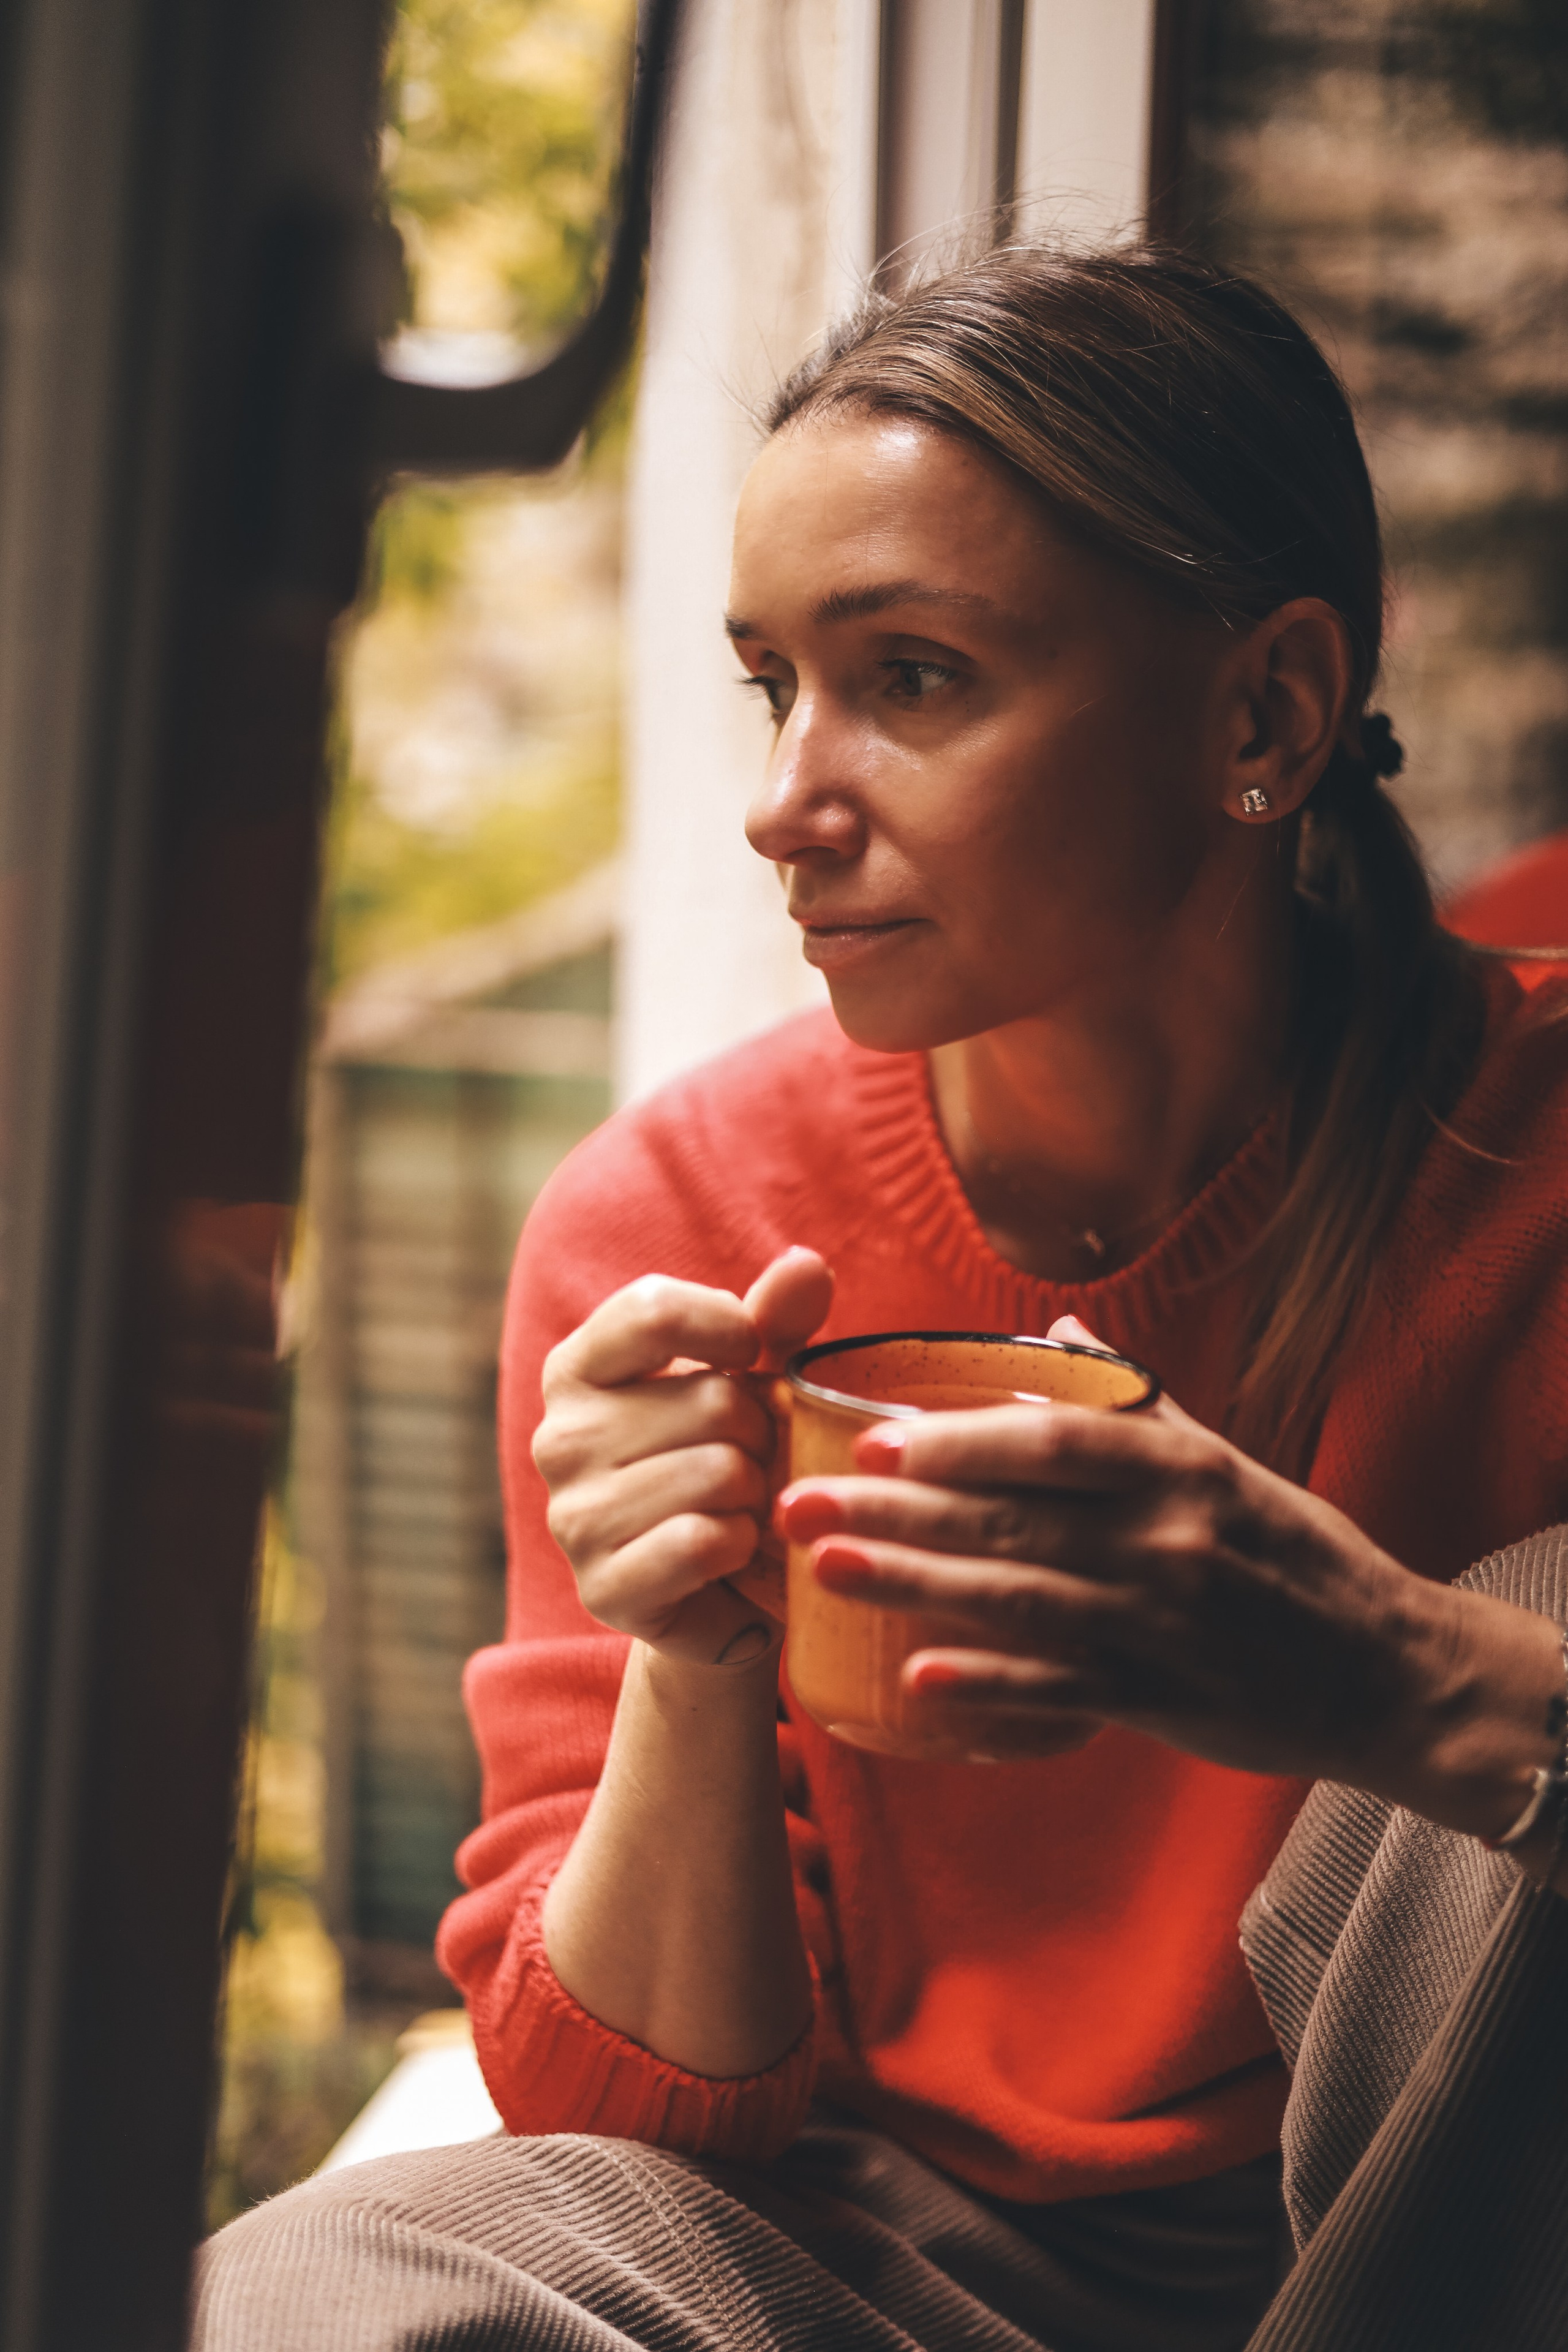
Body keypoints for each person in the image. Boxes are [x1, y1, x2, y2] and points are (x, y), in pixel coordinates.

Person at [196, 247, 1568, 2351]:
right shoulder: (676, 1219)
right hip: (907, 2277)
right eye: (775, 684)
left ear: (1266, 713)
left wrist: (1396, 1675)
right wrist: (692, 1644)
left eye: (913, 677)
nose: (783, 804)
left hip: (1449, 2260)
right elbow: (628, 2118)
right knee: (318, 2280)